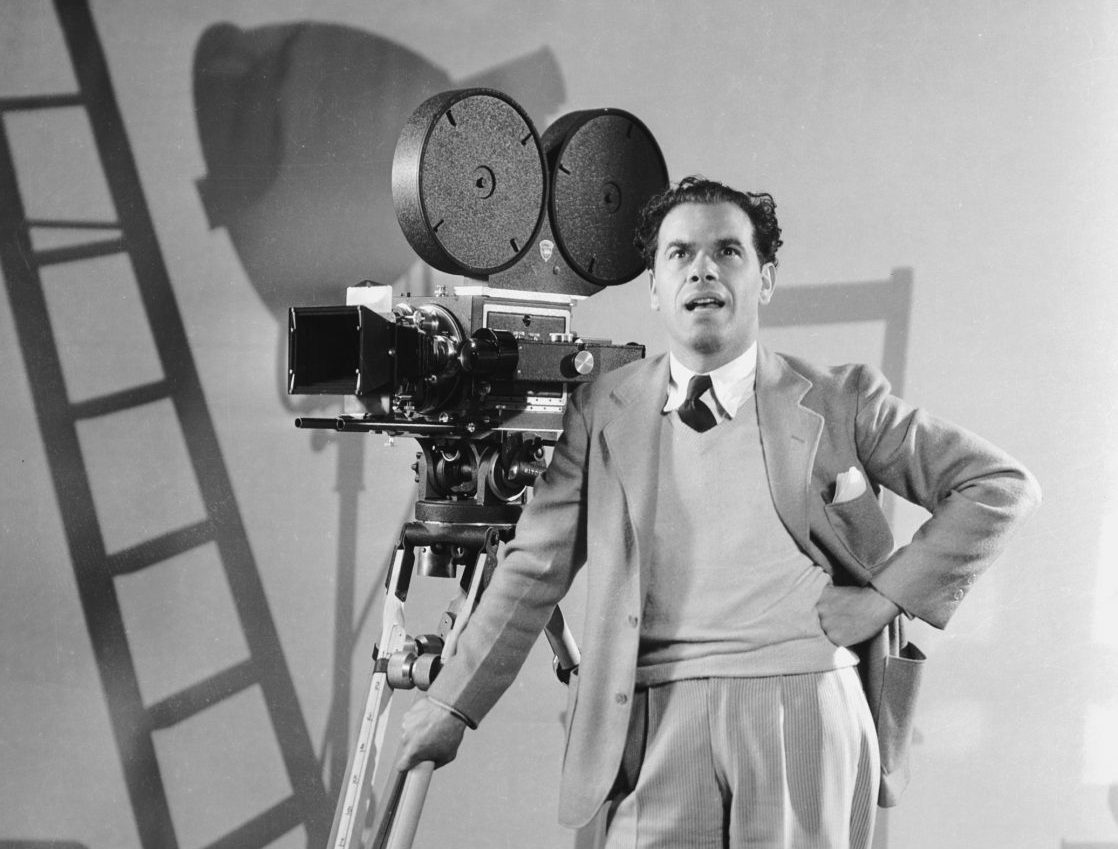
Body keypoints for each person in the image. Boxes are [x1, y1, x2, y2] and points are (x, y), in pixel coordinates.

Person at [394, 175, 1041, 848]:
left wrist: (882, 598)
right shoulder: (602, 408)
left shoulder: (840, 398)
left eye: (727, 251)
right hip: (653, 716)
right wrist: (452, 702)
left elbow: (998, 485)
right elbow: (535, 567)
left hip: (805, 708)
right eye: (679, 254)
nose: (702, 268)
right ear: (653, 287)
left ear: (764, 278)